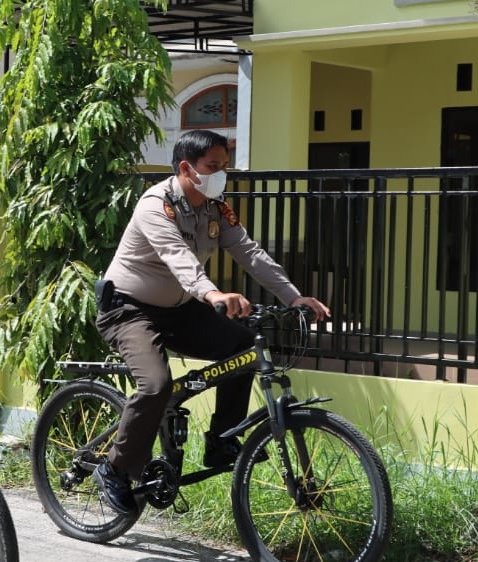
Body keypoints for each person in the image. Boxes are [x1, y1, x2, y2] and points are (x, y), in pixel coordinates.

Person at [92, 129, 330, 515]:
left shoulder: (216, 206)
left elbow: (249, 252)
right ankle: (114, 469)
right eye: (213, 166)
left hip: (180, 308)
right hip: (129, 309)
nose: (222, 174)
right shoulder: (155, 205)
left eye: (225, 166)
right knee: (155, 385)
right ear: (187, 168)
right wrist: (213, 294)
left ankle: (221, 439)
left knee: (242, 347)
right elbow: (176, 256)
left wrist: (293, 296)